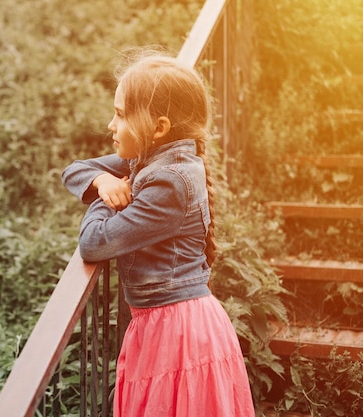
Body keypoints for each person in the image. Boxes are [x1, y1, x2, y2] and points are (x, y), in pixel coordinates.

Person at [62, 50, 255, 417]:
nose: (110, 125)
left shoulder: (169, 183)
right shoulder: (151, 156)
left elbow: (94, 243)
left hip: (178, 336)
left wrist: (109, 196)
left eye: (120, 114)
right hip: (162, 328)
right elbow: (74, 170)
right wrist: (104, 180)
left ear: (159, 127)